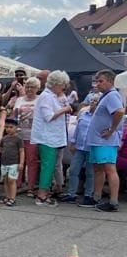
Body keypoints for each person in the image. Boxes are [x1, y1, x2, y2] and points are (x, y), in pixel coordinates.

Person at [31, 70, 72, 207]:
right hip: (46, 137)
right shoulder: (46, 97)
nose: (64, 87)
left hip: (52, 137)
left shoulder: (52, 96)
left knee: (49, 166)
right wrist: (65, 109)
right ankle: (42, 195)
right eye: (63, 85)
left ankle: (45, 193)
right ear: (57, 83)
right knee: (47, 167)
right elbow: (48, 116)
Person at [85, 69, 124, 212]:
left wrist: (112, 130)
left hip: (106, 141)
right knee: (98, 168)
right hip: (98, 140)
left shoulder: (112, 95)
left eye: (101, 81)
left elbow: (119, 111)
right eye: (96, 81)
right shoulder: (105, 96)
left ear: (110, 81)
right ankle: (96, 197)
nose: (98, 84)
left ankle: (113, 202)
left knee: (109, 168)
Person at [60, 93, 100, 206]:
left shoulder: (100, 118)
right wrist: (73, 143)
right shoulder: (83, 114)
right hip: (80, 147)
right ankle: (71, 194)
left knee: (90, 172)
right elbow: (78, 129)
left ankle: (88, 194)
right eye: (92, 102)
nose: (93, 104)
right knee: (73, 170)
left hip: (92, 147)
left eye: (96, 102)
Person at [11, 76, 40, 197]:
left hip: (33, 135)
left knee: (31, 161)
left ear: (37, 88)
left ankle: (31, 186)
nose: (29, 89)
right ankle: (17, 184)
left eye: (32, 87)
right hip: (19, 134)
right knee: (19, 160)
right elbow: (14, 115)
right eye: (27, 86)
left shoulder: (40, 100)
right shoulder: (20, 100)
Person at [0, 119, 24, 207]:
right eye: (7, 127)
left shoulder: (18, 139)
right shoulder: (4, 139)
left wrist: (21, 163)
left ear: (16, 128)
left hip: (14, 163)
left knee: (11, 180)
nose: (8, 129)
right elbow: (0, 149)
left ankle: (13, 198)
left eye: (11, 127)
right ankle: (7, 196)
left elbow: (21, 151)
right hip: (4, 163)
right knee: (5, 180)